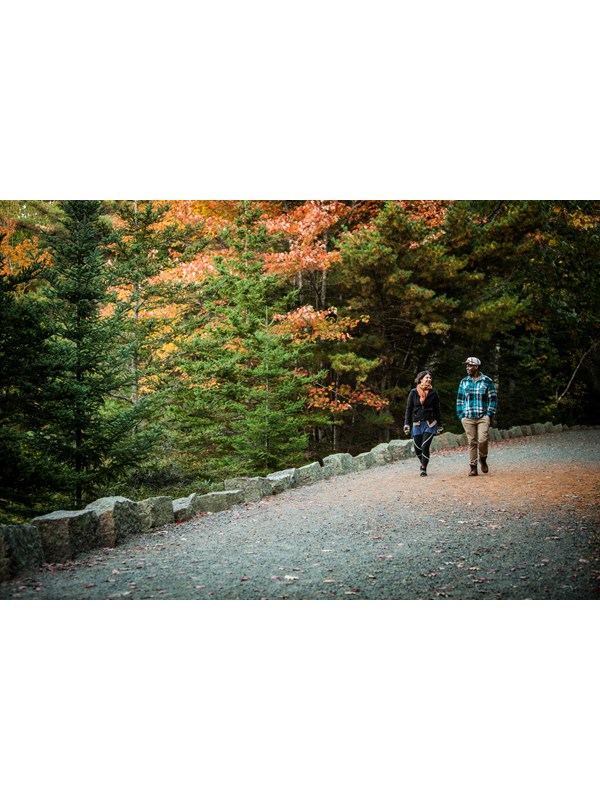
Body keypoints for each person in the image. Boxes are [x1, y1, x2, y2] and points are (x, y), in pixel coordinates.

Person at [456, 357, 498, 476]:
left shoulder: (487, 381)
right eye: (467, 366)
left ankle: (483, 459)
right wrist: (461, 415)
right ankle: (473, 467)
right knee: (472, 441)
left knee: (483, 439)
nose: (467, 368)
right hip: (467, 416)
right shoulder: (464, 381)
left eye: (469, 366)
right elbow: (459, 399)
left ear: (476, 367)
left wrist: (489, 413)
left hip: (482, 416)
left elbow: (493, 399)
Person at [403, 371, 443, 477]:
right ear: (421, 379)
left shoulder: (433, 393)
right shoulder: (413, 392)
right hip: (417, 423)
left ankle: (424, 468)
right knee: (417, 448)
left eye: (430, 378)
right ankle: (423, 461)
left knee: (425, 446)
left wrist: (440, 425)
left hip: (430, 423)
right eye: (427, 377)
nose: (429, 379)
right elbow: (409, 409)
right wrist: (406, 424)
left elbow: (437, 409)